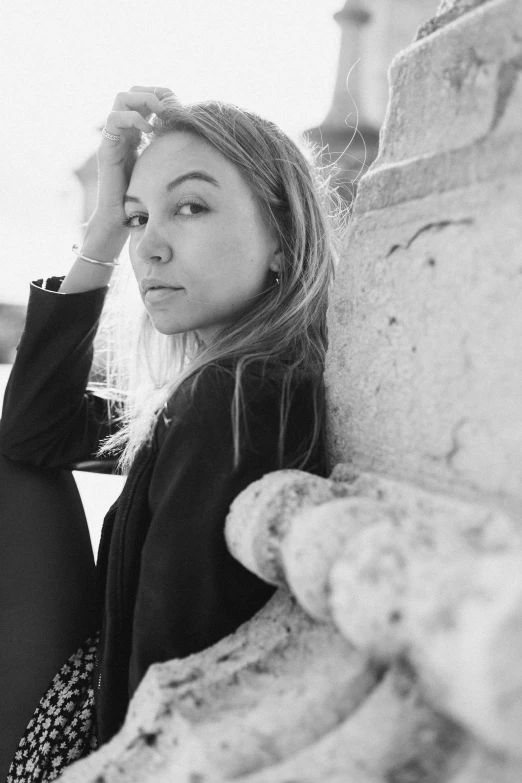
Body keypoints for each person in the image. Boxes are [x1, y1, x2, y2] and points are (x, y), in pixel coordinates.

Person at [0, 86, 341, 781]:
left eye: (190, 206)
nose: (147, 246)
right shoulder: (227, 385)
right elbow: (34, 430)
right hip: (100, 692)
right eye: (135, 217)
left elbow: (168, 665)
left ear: (282, 233)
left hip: (105, 740)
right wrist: (100, 229)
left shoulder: (235, 397)